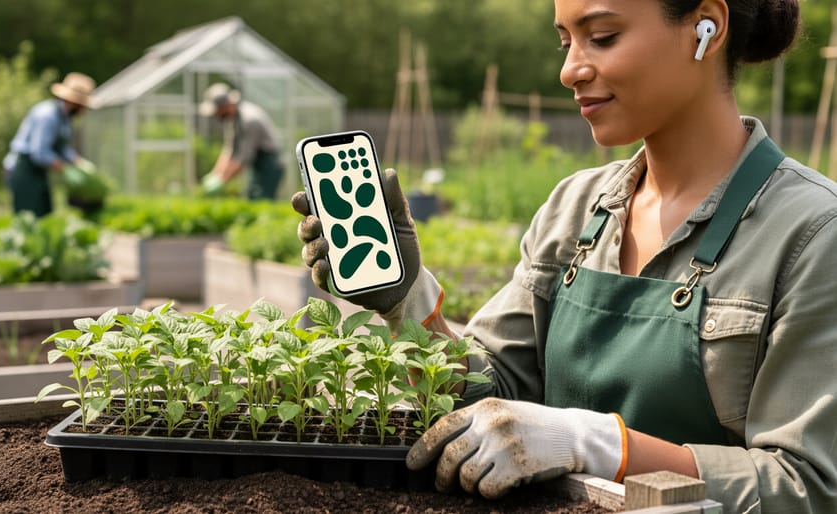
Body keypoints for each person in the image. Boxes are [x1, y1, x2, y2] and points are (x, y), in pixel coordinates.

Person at [292, 1, 836, 512]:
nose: (571, 70)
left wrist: (597, 444)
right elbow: (495, 393)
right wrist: (407, 302)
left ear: (706, 27)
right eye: (565, 42)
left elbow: (808, 487)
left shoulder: (810, 234)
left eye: (602, 37)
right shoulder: (577, 209)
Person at [4, 72, 95, 218]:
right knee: (28, 218)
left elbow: (61, 148)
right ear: (74, 103)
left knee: (44, 214)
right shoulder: (47, 116)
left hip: (38, 173)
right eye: (82, 105)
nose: (83, 110)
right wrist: (65, 169)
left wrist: (78, 162)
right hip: (24, 170)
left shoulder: (64, 119)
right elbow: (39, 152)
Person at [199, 83, 285, 200]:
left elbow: (244, 157)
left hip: (269, 163)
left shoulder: (250, 120)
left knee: (262, 199)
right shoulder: (233, 119)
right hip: (257, 163)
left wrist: (222, 181)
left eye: (217, 111)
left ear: (224, 106)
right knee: (251, 196)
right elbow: (229, 150)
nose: (216, 115)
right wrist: (215, 174)